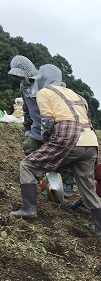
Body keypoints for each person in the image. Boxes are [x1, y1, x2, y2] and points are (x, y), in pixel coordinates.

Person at [9, 64, 101, 236]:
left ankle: (28, 208)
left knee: (27, 166)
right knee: (87, 186)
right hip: (90, 142)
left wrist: (47, 144)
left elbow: (47, 122)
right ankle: (100, 228)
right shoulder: (77, 95)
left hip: (68, 137)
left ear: (43, 78)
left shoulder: (44, 93)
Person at [8, 55, 75, 193]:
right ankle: (40, 175)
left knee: (62, 156)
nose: (21, 80)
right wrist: (27, 127)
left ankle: (68, 183)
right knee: (29, 146)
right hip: (37, 128)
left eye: (21, 76)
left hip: (54, 126)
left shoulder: (44, 83)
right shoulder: (23, 87)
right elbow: (26, 108)